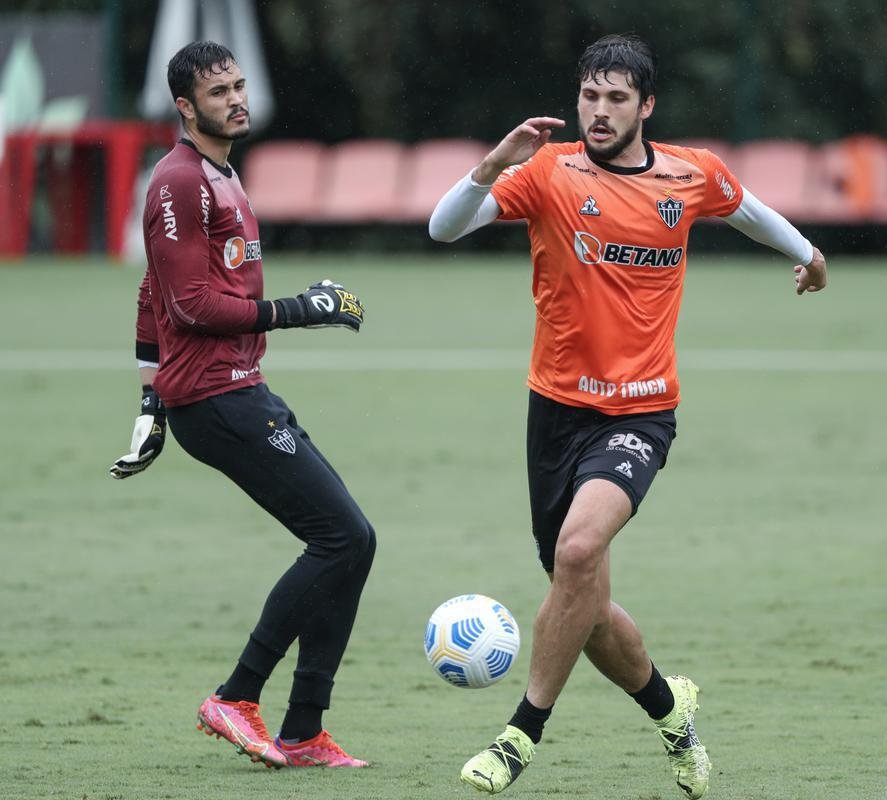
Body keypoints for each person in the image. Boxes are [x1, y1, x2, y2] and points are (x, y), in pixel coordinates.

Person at [429, 33, 827, 798]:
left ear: (646, 106)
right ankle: (673, 716)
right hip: (553, 413)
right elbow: (444, 228)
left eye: (616, 98)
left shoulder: (690, 172)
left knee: (577, 556)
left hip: (641, 415)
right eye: (589, 95)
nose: (599, 111)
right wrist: (491, 164)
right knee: (587, 609)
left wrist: (807, 254)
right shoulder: (546, 172)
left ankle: (519, 736)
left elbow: (749, 211)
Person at [110, 41, 374, 769]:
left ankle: (302, 732)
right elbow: (189, 304)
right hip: (216, 398)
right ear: (185, 107)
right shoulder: (178, 184)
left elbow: (151, 297)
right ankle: (237, 697)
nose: (235, 97)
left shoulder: (222, 175)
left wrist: (146, 401)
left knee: (350, 543)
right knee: (343, 539)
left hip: (236, 389)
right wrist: (303, 309)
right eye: (218, 91)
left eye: (238, 84)